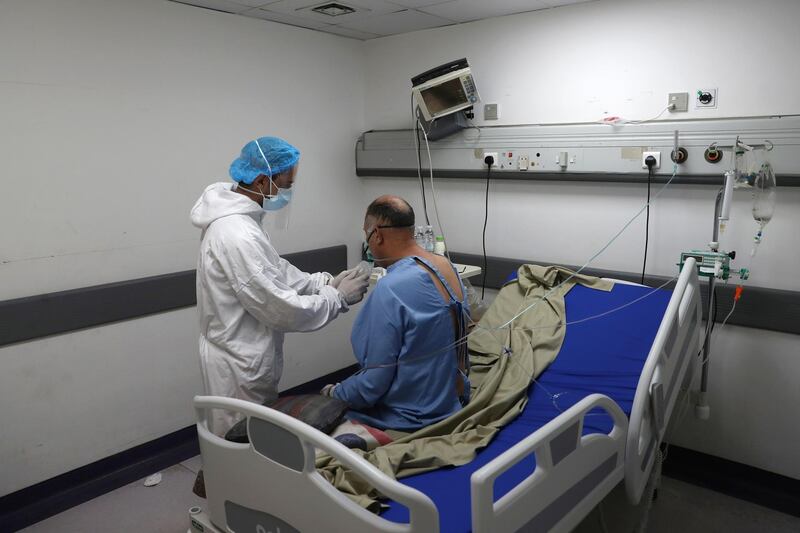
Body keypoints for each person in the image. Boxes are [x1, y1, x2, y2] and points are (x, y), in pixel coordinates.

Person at [191, 136, 369, 433]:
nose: (288, 191)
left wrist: (321, 282)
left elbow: (274, 270)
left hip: (244, 352)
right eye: (286, 183)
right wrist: (335, 298)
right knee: (238, 443)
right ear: (262, 181)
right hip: (237, 363)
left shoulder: (243, 222)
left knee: (254, 437)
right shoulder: (235, 234)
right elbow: (280, 307)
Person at [322, 196, 470, 431]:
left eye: (366, 235)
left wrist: (334, 392)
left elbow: (373, 383)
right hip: (454, 402)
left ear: (377, 234)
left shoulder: (391, 288)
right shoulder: (445, 266)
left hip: (413, 416)